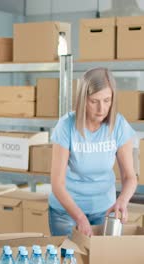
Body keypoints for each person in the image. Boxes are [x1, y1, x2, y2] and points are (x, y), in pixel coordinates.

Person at [49, 67, 137, 236]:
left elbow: (130, 177)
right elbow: (57, 184)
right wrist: (80, 218)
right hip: (66, 212)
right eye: (94, 101)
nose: (101, 109)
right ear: (83, 100)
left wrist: (122, 202)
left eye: (107, 100)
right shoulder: (66, 126)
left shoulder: (119, 125)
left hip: (104, 209)